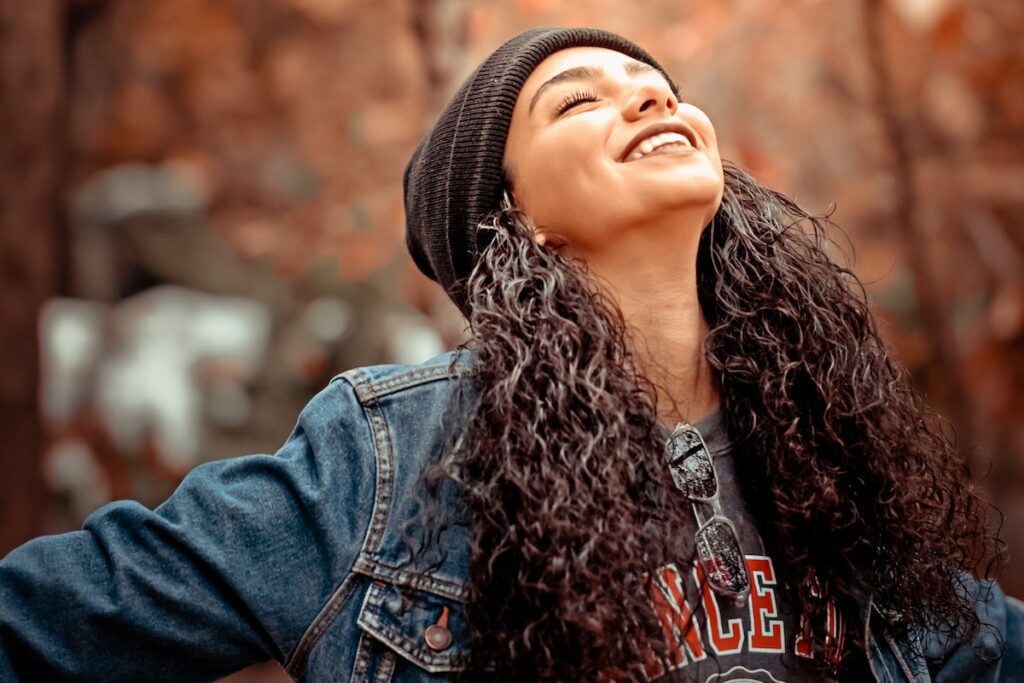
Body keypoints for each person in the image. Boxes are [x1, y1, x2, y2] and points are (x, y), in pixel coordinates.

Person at [0, 26, 1020, 683]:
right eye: (578, 101)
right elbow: (49, 620)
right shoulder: (390, 461)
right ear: (518, 220)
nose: (650, 100)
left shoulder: (821, 449)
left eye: (657, 86)